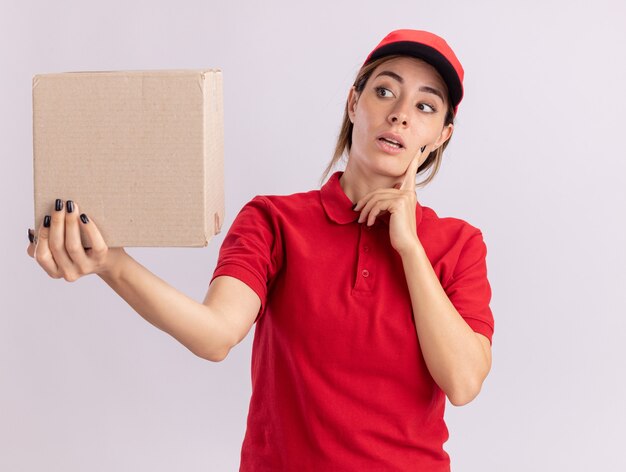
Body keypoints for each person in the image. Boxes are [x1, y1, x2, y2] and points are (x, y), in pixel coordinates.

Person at [27, 29, 494, 471]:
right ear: (354, 104)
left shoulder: (459, 244)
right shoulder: (274, 221)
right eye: (385, 92)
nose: (401, 115)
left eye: (426, 106)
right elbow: (215, 335)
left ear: (441, 136)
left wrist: (409, 248)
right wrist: (112, 264)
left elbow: (463, 381)